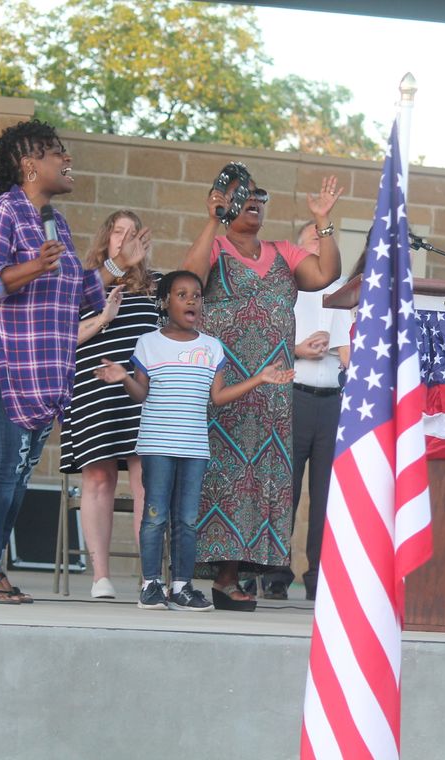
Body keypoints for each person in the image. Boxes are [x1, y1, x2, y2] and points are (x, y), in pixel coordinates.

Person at [0, 119, 147, 604]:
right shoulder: (0, 214)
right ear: (29, 164)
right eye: (57, 152)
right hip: (0, 353)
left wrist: (119, 266)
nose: (67, 159)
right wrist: (34, 264)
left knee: (17, 470)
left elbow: (79, 290)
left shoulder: (54, 220)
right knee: (2, 465)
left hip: (40, 363)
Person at [183, 164, 342, 611]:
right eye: (239, 195)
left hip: (271, 394)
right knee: (219, 478)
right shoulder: (214, 245)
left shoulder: (284, 252)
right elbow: (190, 282)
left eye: (257, 194)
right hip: (223, 387)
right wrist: (212, 220)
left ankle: (235, 576)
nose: (251, 200)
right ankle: (201, 575)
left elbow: (326, 273)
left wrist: (323, 221)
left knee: (257, 482)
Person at [94, 271, 295, 611]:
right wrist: (124, 378)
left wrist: (259, 379)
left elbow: (217, 397)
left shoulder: (211, 347)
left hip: (194, 449)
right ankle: (151, 585)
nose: (191, 300)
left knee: (187, 519)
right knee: (156, 515)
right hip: (157, 446)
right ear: (165, 302)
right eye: (182, 294)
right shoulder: (149, 343)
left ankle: (182, 585)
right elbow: (141, 393)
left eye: (197, 295)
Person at [59, 210, 161, 599]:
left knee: (144, 481)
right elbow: (63, 339)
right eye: (118, 232)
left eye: (133, 233)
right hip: (93, 389)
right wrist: (104, 317)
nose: (125, 238)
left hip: (139, 391)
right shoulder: (82, 284)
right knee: (99, 478)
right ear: (106, 238)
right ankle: (100, 575)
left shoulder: (156, 285)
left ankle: (149, 575)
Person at [259, 222, 351, 601]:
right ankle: (276, 572)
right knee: (286, 489)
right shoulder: (287, 285)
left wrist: (336, 347)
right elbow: (263, 336)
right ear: (297, 247)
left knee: (327, 494)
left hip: (332, 397)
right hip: (293, 393)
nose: (319, 241)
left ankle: (320, 576)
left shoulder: (345, 287)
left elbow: (350, 344)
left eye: (325, 236)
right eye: (313, 236)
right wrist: (297, 349)